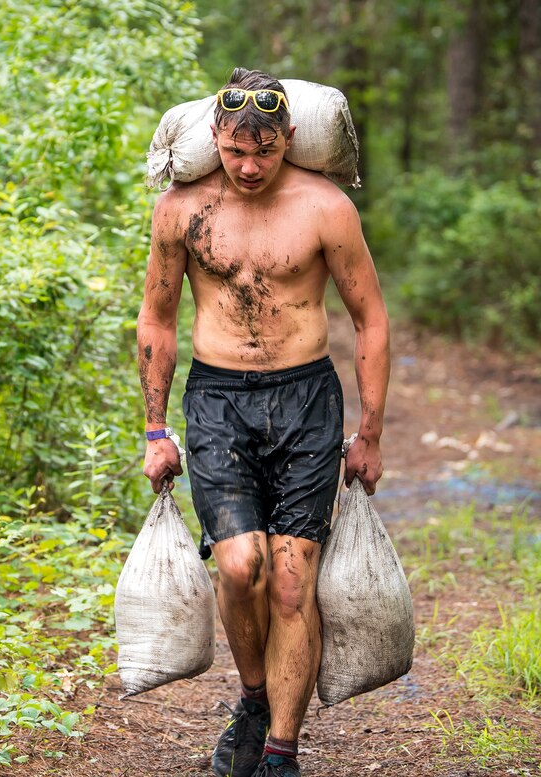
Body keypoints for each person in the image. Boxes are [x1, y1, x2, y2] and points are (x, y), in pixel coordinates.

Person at [136, 67, 390, 777]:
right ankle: (253, 697)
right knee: (240, 565)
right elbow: (157, 318)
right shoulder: (180, 209)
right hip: (218, 400)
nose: (250, 167)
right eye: (237, 150)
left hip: (307, 401)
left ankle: (280, 747)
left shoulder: (326, 207)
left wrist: (369, 430)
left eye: (266, 151)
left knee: (289, 581)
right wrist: (156, 430)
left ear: (290, 140)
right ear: (215, 135)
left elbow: (370, 317)